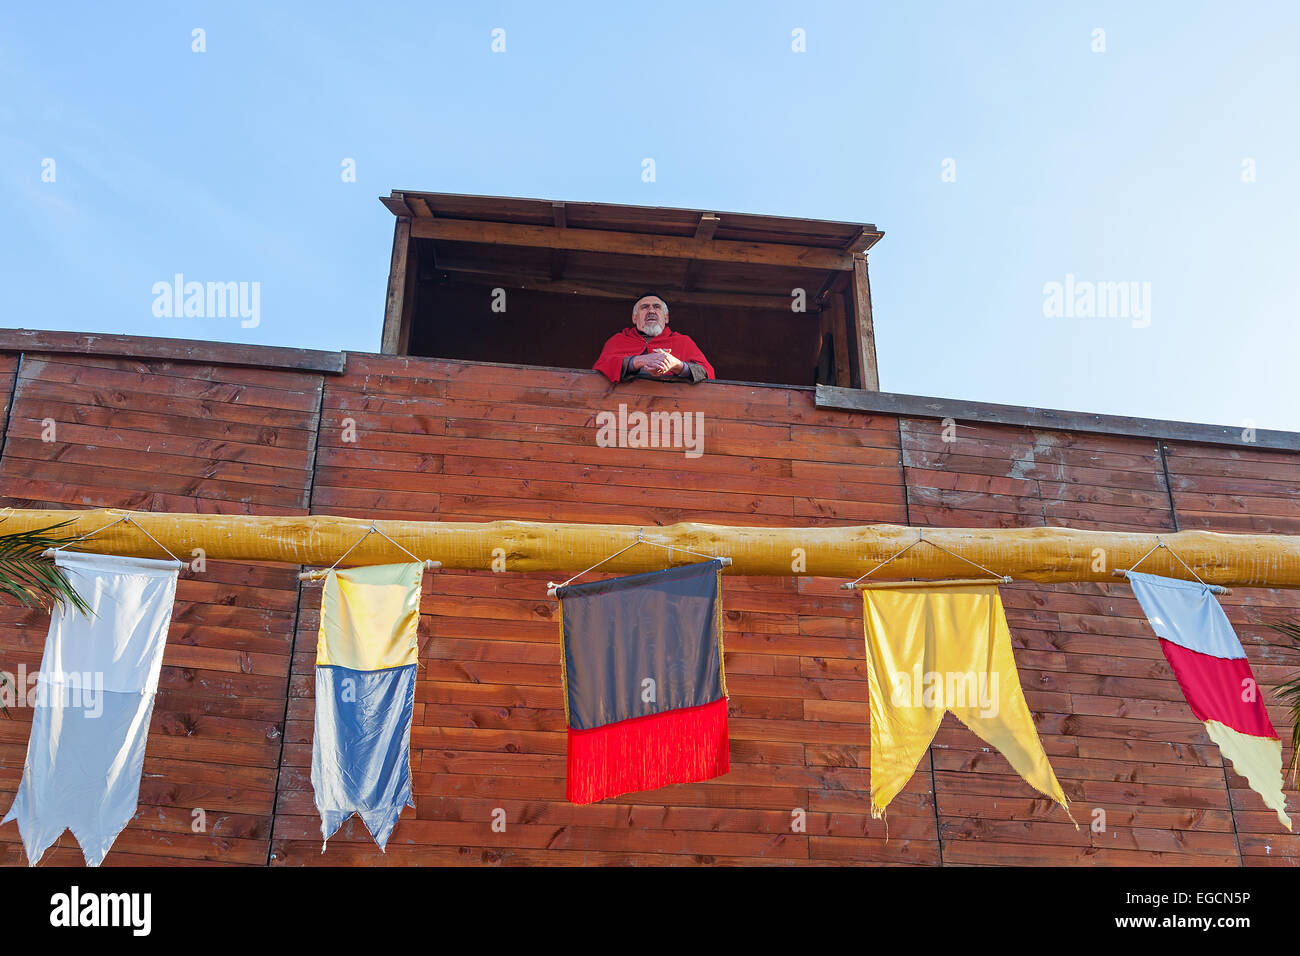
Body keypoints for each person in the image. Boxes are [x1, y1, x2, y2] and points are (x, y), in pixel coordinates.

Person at [592, 293, 715, 384]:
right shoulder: (618, 340)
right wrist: (639, 361)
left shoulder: (683, 341)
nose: (651, 310)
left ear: (666, 318)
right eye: (645, 307)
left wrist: (676, 365)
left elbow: (706, 372)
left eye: (657, 307)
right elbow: (599, 371)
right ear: (634, 318)